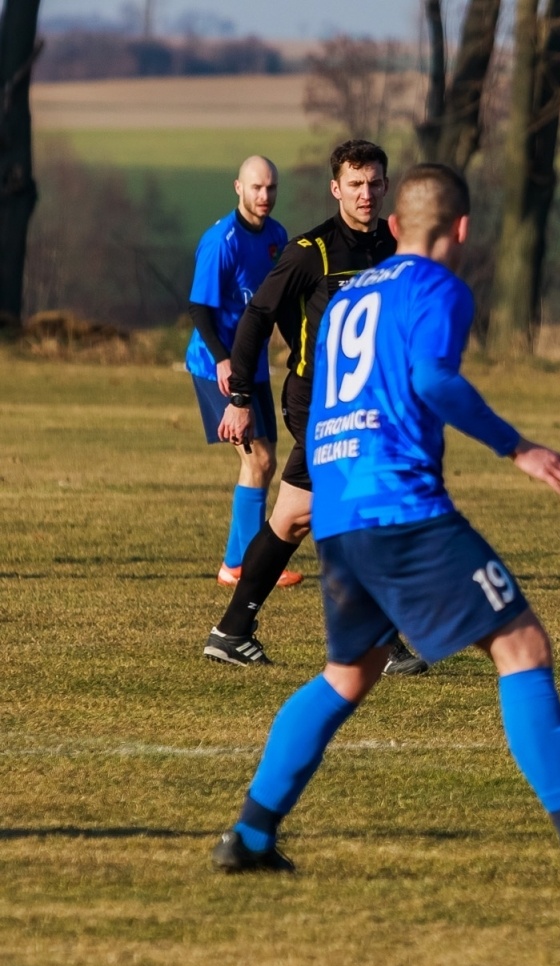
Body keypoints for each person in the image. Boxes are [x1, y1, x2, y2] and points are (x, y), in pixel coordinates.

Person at [210, 164, 560, 886]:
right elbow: (433, 379)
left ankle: (250, 831)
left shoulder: (344, 300)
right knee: (521, 643)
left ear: (396, 225)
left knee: (348, 673)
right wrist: (518, 447)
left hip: (336, 510)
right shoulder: (439, 287)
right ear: (461, 230)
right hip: (401, 510)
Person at [203, 139, 424, 675]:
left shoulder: (394, 248)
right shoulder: (311, 251)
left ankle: (232, 631)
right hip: (317, 403)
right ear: (336, 189)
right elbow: (256, 319)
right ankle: (382, 643)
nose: (365, 193)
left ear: (385, 186)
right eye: (355, 184)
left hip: (367, 405)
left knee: (292, 518)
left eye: (373, 183)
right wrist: (238, 399)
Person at [185, 156, 299, 587]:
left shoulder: (277, 236)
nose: (265, 196)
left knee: (264, 465)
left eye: (271, 188)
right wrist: (222, 358)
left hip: (252, 366)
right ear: (238, 188)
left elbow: (280, 301)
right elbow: (199, 307)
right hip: (216, 365)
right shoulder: (221, 240)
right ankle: (253, 567)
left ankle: (234, 564)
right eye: (256, 188)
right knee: (261, 460)